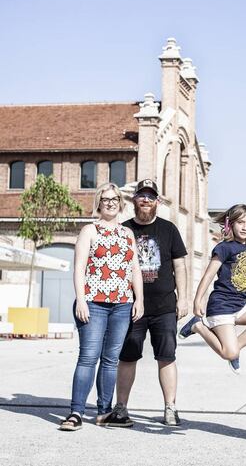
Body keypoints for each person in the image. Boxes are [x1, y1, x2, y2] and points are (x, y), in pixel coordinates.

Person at [59, 183, 144, 431]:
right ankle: (76, 412)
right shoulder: (89, 230)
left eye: (114, 198)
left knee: (110, 360)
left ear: (120, 202)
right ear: (99, 202)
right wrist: (81, 299)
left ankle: (104, 412)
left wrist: (139, 299)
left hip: (122, 305)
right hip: (93, 304)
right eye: (105, 199)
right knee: (88, 357)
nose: (110, 202)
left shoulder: (127, 234)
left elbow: (134, 269)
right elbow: (79, 268)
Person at [109, 179, 188, 427]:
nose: (145, 200)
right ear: (133, 200)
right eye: (141, 195)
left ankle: (170, 408)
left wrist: (183, 298)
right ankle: (120, 408)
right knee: (128, 356)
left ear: (157, 202)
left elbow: (180, 265)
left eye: (150, 196)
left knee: (167, 356)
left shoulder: (169, 229)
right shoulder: (123, 229)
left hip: (164, 306)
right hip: (131, 307)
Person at [179, 204, 246, 374]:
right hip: (221, 305)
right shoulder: (224, 248)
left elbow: (245, 272)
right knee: (228, 353)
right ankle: (198, 326)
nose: (245, 227)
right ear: (230, 223)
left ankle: (235, 347)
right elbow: (208, 275)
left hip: (240, 304)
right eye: (240, 222)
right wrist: (197, 301)